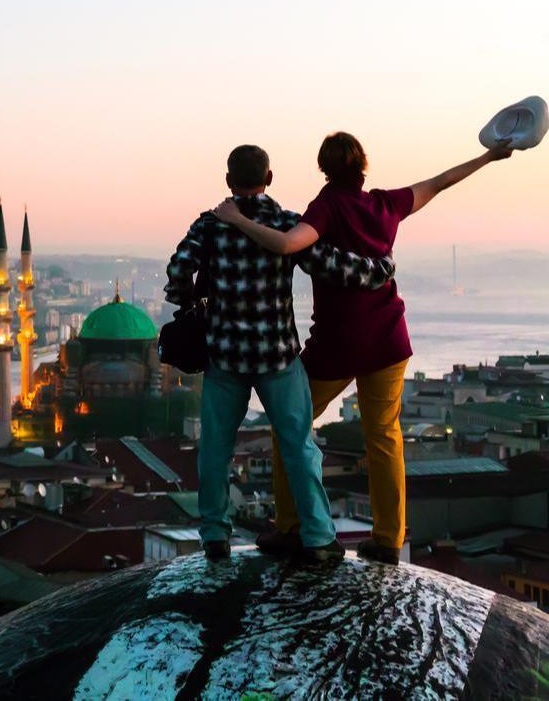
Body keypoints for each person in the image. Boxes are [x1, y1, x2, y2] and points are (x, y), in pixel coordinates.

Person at [213, 133, 514, 564]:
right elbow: (441, 181)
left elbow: (284, 244)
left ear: (323, 168)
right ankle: (389, 540)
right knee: (385, 438)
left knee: (289, 426)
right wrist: (489, 155)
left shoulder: (326, 207)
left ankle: (292, 526)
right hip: (389, 340)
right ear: (363, 166)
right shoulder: (384, 205)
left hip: (337, 346)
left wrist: (236, 219)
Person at [165, 144, 397, 564]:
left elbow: (178, 268)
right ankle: (319, 537)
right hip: (277, 358)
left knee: (216, 447)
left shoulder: (210, 225)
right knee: (299, 446)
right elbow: (333, 264)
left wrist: (188, 303)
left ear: (228, 181)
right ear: (269, 178)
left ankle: (215, 535)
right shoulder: (286, 224)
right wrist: (380, 268)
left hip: (226, 356)